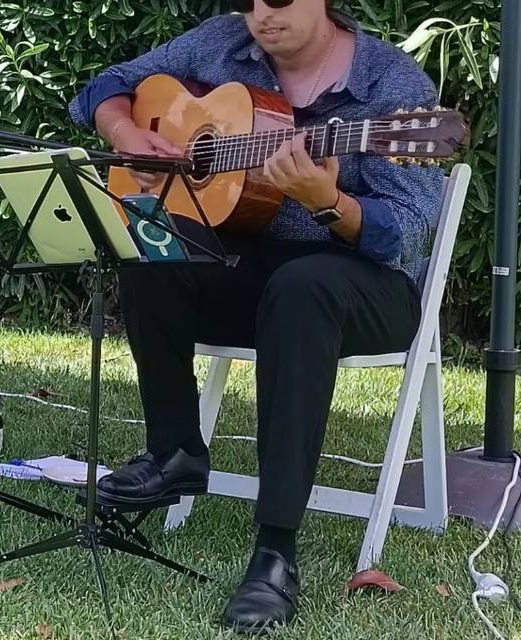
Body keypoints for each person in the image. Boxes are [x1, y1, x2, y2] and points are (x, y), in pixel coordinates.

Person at [68, 0, 443, 633]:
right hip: (255, 269)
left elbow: (403, 232)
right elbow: (107, 85)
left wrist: (328, 203)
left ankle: (274, 551)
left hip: (363, 285)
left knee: (303, 285)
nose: (260, 15)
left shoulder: (391, 88)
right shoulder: (222, 44)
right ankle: (175, 453)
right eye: (249, 2)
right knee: (154, 248)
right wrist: (127, 134)